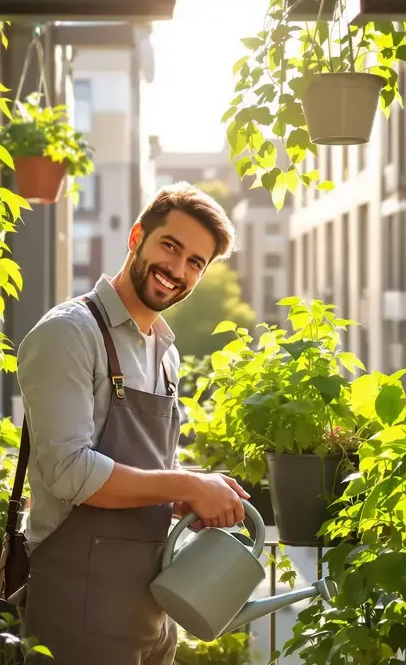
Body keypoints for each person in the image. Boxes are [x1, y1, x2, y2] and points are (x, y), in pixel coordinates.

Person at [16, 182, 249, 665]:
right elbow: (68, 471)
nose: (177, 271)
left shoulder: (165, 352)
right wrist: (185, 482)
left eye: (195, 264)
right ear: (137, 236)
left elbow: (145, 468)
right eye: (170, 246)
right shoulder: (69, 333)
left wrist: (185, 496)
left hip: (150, 606)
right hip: (78, 601)